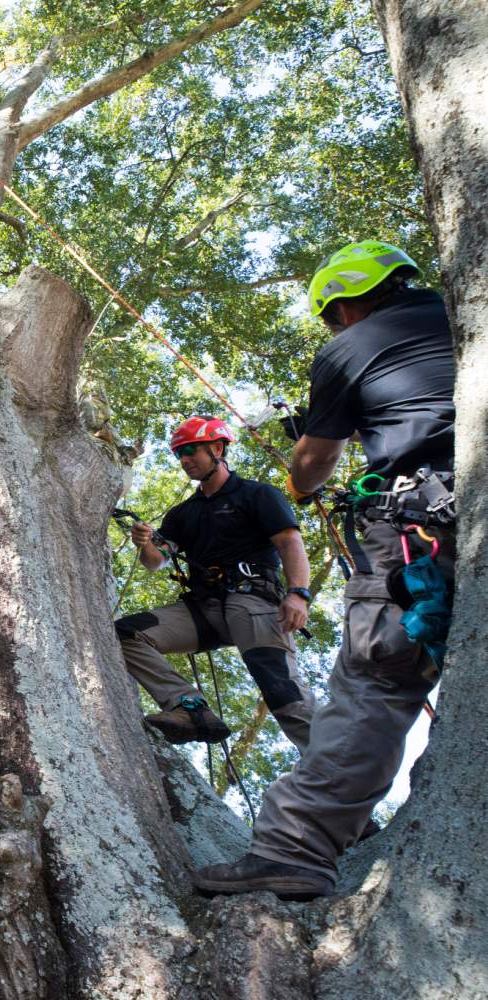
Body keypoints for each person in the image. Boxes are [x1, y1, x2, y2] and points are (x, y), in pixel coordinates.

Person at [194, 240, 457, 901]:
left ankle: (294, 848)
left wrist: (305, 459)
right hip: (455, 499)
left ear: (344, 303)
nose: (337, 329)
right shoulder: (462, 312)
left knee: (377, 678)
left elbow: (311, 468)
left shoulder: (349, 348)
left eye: (334, 317)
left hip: (416, 530)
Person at [115, 417, 315, 750]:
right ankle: (189, 709)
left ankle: (329, 763)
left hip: (252, 602)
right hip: (203, 610)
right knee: (126, 634)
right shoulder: (182, 514)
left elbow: (289, 543)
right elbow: (155, 560)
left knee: (279, 686)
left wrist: (298, 594)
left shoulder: (256, 494)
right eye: (180, 454)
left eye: (191, 451)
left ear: (217, 449)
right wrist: (144, 543)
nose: (184, 460)